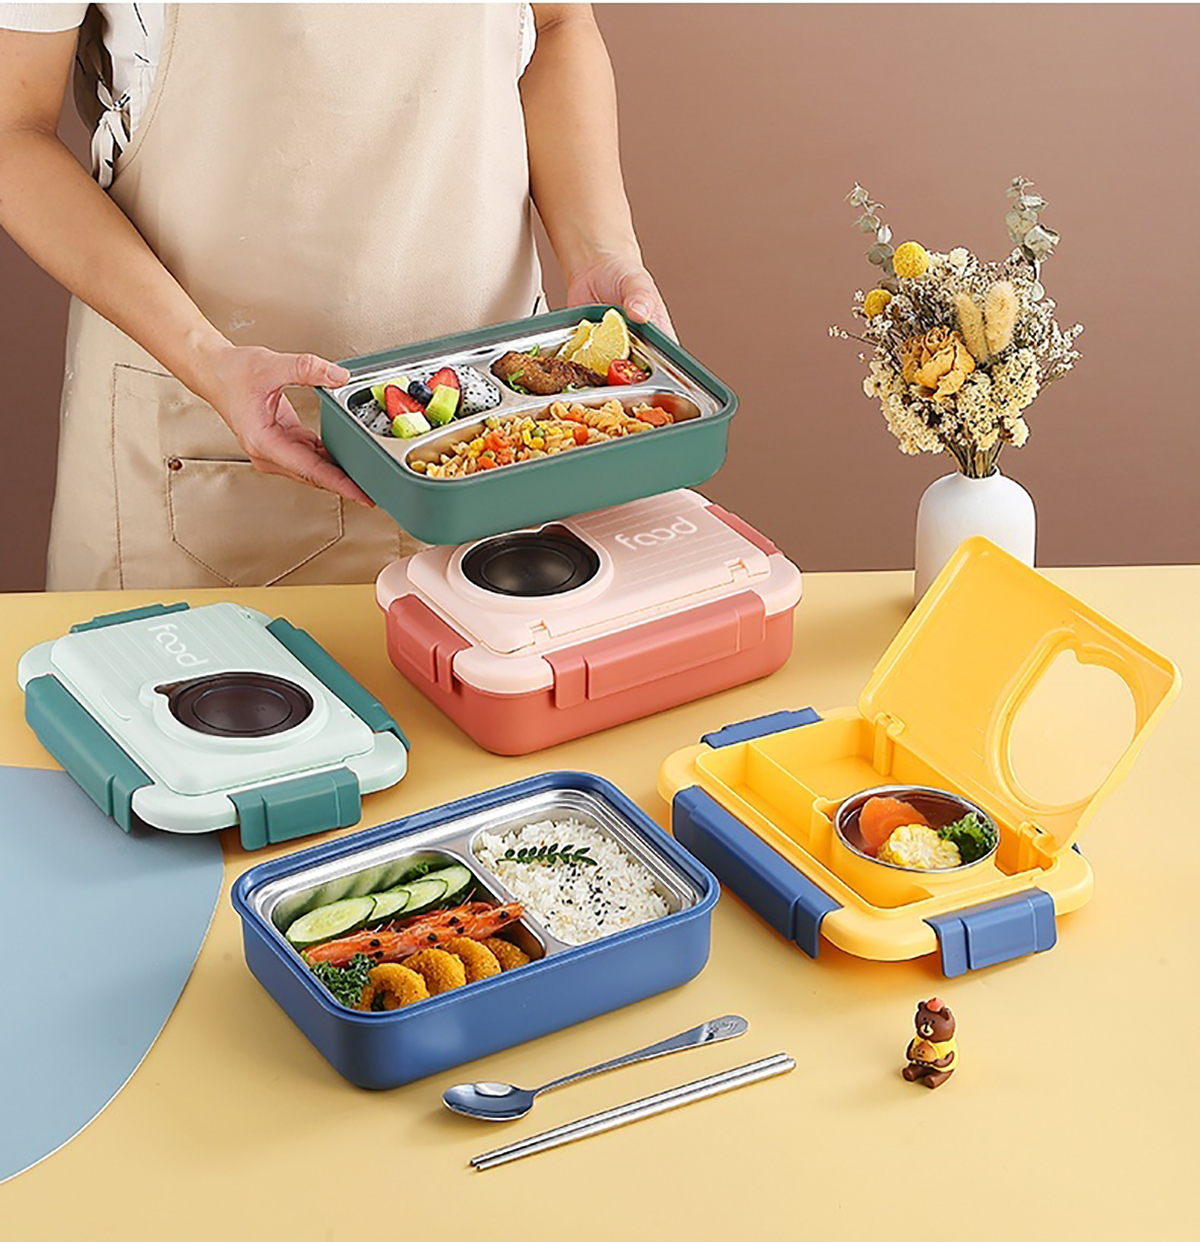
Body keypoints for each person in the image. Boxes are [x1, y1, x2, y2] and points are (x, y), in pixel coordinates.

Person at [0, 3, 672, 589]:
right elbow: (12, 130)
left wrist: (601, 253)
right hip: (211, 438)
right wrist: (206, 358)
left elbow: (557, 24)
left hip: (504, 437)